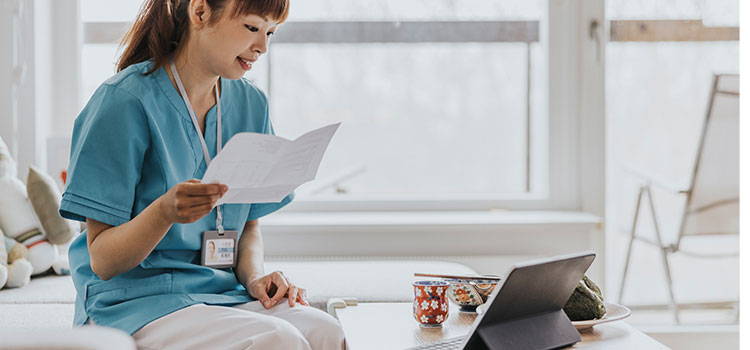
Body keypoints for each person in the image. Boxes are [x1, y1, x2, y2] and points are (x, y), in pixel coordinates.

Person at [59, 0, 346, 349]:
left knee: (325, 330)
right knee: (278, 339)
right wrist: (164, 212)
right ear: (199, 13)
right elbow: (103, 260)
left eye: (271, 32)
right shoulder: (122, 101)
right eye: (253, 28)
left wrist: (254, 278)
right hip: (134, 303)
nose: (263, 46)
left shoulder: (252, 104)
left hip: (218, 294)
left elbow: (248, 224)